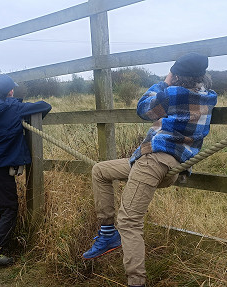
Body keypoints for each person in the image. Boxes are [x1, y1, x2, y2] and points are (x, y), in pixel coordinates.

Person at [82, 52, 218, 287]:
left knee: (128, 222)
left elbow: (144, 108)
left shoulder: (171, 94)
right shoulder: (209, 98)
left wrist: (164, 82)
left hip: (153, 162)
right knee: (100, 171)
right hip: (171, 167)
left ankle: (136, 281)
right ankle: (107, 234)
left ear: (176, 75)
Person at [0, 74, 51, 266]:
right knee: (9, 208)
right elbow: (45, 105)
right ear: (10, 91)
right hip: (0, 164)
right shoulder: (15, 107)